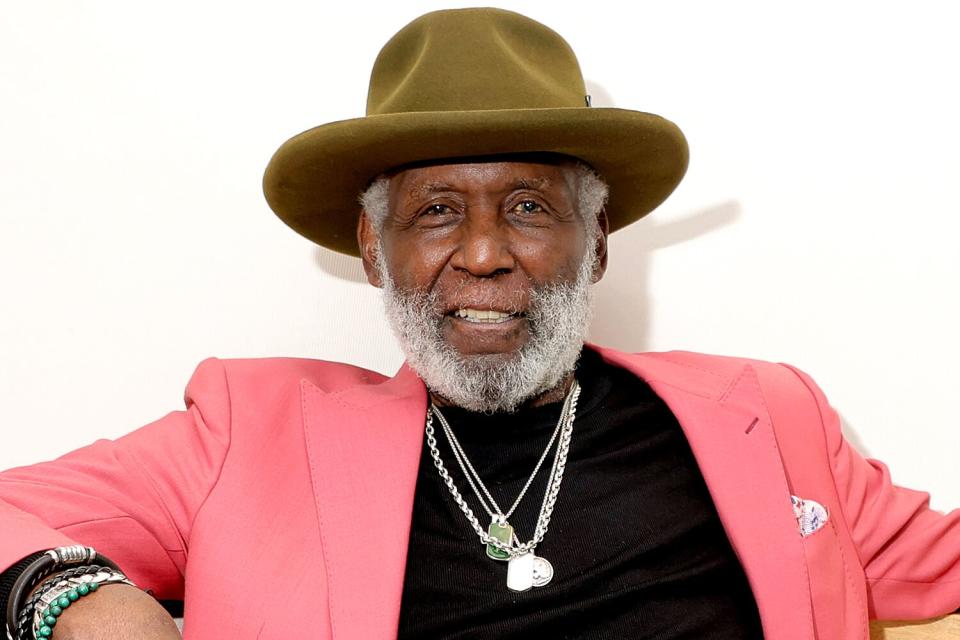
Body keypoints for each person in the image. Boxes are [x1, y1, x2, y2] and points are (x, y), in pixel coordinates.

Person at [1, 7, 958, 639]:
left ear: (599, 244)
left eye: (532, 207)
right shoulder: (245, 430)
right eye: (436, 210)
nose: (487, 253)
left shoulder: (765, 412)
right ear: (374, 253)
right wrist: (71, 592)